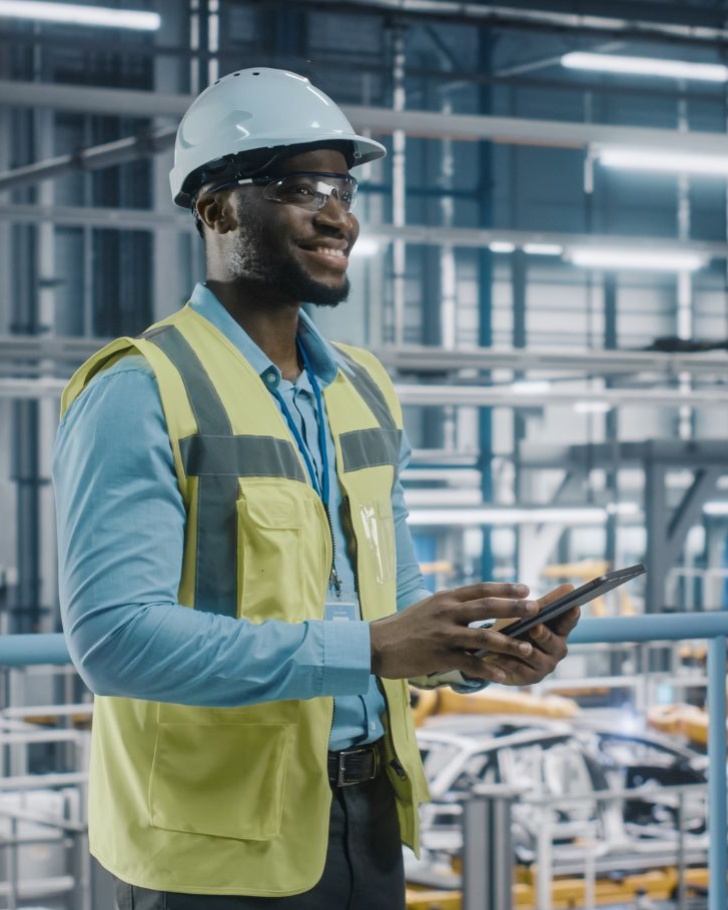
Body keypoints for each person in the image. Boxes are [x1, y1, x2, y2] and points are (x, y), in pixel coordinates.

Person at [52, 67, 579, 910]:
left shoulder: (362, 387)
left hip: (367, 823)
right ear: (217, 208)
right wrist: (368, 649)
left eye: (343, 186)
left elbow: (390, 596)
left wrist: (478, 653)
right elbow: (115, 641)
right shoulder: (140, 388)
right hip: (208, 855)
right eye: (303, 187)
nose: (340, 214)